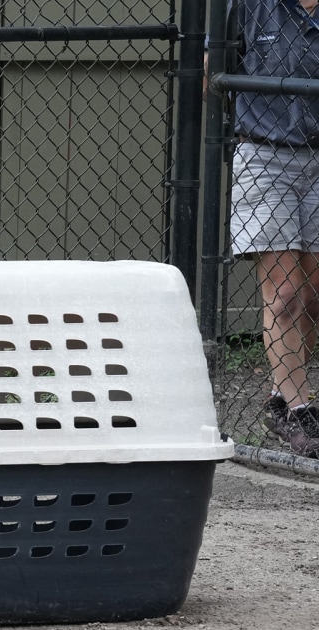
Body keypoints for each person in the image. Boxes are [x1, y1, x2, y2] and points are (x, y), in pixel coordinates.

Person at [224, 0, 319, 456]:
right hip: (265, 155)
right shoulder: (246, 5)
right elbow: (211, 72)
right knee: (283, 294)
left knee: (312, 295)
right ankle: (301, 412)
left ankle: (282, 402)